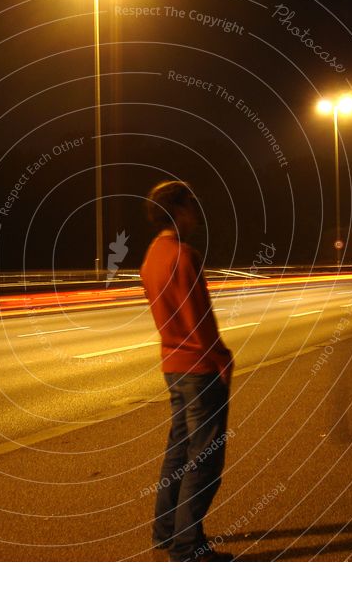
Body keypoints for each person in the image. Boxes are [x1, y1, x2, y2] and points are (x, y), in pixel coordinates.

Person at [140, 180, 234, 561]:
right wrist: (222, 358)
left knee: (178, 451)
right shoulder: (184, 256)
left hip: (172, 366)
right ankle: (188, 545)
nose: (196, 212)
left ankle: (166, 531)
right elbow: (201, 320)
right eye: (192, 204)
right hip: (199, 369)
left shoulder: (151, 257)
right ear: (177, 209)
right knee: (205, 459)